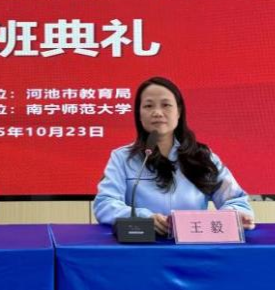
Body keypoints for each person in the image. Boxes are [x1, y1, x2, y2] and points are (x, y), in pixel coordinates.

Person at [93, 76, 254, 235]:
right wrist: (144, 217)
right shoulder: (122, 158)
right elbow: (105, 205)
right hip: (141, 244)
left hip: (194, 246)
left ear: (179, 112)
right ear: (139, 114)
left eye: (166, 105)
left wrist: (233, 216)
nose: (157, 113)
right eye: (148, 106)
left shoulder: (202, 156)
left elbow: (237, 201)